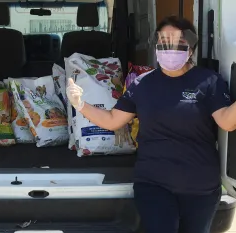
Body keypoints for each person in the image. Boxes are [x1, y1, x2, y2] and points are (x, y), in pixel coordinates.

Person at [66, 16, 236, 233]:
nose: (169, 48)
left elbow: (227, 122)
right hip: (154, 184)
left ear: (190, 49)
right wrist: (80, 104)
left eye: (177, 42)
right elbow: (112, 120)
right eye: (163, 42)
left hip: (200, 188)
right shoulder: (142, 84)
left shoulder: (208, 81)